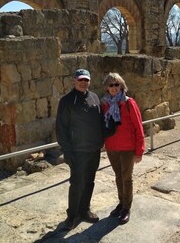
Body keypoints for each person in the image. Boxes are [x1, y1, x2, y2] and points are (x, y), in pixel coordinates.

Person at [56, 68, 104, 230]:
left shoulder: (94, 97)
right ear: (74, 81)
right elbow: (61, 128)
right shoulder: (67, 101)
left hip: (93, 150)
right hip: (77, 151)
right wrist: (67, 151)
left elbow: (100, 121)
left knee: (89, 181)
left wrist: (102, 139)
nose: (83, 83)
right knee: (77, 184)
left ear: (89, 81)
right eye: (80, 80)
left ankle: (85, 210)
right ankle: (72, 215)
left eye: (86, 80)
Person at [100, 72, 145, 225]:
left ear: (121, 85)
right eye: (110, 85)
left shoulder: (128, 103)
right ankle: (121, 203)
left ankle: (127, 208)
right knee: (118, 177)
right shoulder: (104, 104)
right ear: (107, 87)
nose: (113, 87)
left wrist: (140, 150)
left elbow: (138, 127)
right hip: (112, 146)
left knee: (127, 178)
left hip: (127, 147)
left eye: (116, 84)